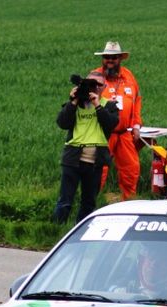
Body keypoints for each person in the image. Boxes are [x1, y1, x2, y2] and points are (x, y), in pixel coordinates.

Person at [53, 70, 119, 224]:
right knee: (65, 201)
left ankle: (80, 233)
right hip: (72, 159)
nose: (94, 88)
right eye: (90, 84)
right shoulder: (75, 104)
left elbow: (110, 124)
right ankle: (55, 230)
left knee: (88, 203)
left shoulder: (109, 105)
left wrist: (97, 104)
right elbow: (62, 123)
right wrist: (73, 101)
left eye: (98, 85)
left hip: (95, 162)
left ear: (104, 87)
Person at [94, 41, 143, 201]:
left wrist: (136, 125)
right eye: (107, 57)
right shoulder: (95, 77)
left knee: (131, 169)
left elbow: (136, 102)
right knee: (99, 170)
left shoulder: (129, 77)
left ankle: (128, 202)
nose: (110, 60)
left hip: (124, 133)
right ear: (103, 59)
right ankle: (92, 202)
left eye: (114, 57)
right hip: (102, 134)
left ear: (120, 59)